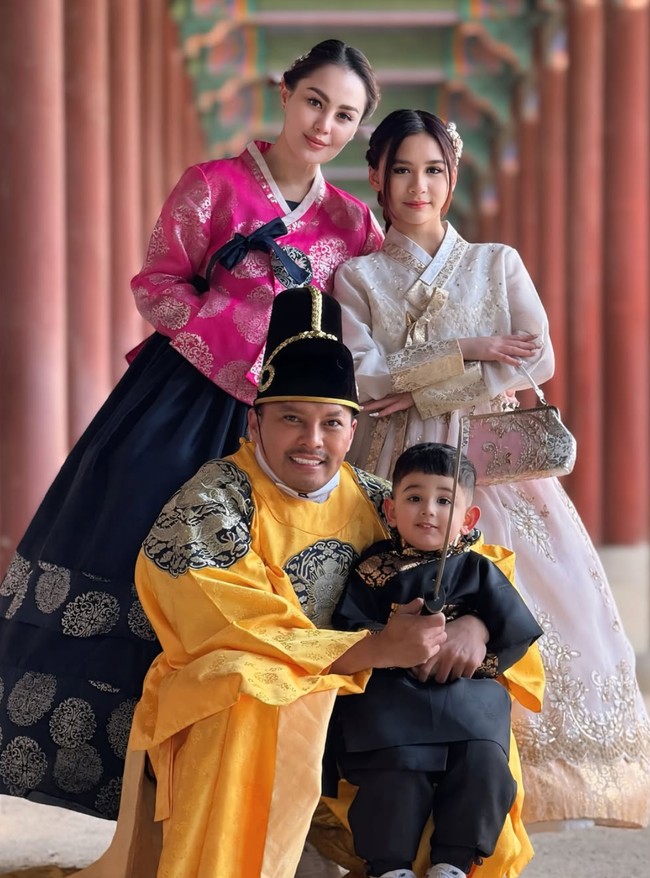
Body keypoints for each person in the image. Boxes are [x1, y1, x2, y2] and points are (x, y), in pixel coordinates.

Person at [0, 40, 383, 818]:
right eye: (315, 102)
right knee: (142, 554)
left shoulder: (354, 223)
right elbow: (157, 284)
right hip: (184, 400)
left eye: (345, 115)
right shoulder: (210, 186)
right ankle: (133, 790)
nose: (325, 124)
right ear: (285, 93)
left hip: (295, 430)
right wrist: (238, 339)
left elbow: (377, 319)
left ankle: (258, 791)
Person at [333, 108, 650, 828]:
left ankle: (509, 789)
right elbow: (362, 374)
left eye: (435, 170)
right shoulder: (357, 278)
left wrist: (422, 386)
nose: (420, 186)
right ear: (377, 177)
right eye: (404, 170)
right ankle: (407, 777)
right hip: (395, 465)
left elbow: (537, 357)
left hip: (495, 460)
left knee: (529, 594)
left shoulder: (495, 262)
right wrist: (471, 349)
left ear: (453, 176)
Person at [126, 287, 448, 878]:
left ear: (353, 431)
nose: (312, 441)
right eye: (292, 419)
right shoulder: (215, 498)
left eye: (331, 423)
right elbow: (226, 618)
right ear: (255, 422)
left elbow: (472, 565)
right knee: (251, 683)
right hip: (228, 700)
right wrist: (373, 648)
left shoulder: (381, 503)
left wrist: (474, 625)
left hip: (356, 695)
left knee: (467, 693)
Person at [328, 442, 543, 878]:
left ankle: (454, 862)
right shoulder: (373, 569)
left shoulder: (478, 569)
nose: (429, 510)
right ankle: (389, 866)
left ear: (468, 519)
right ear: (390, 511)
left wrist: (477, 631)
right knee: (396, 769)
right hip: (393, 694)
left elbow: (515, 629)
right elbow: (348, 630)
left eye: (444, 500)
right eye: (414, 498)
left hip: (464, 693)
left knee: (483, 764)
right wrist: (389, 640)